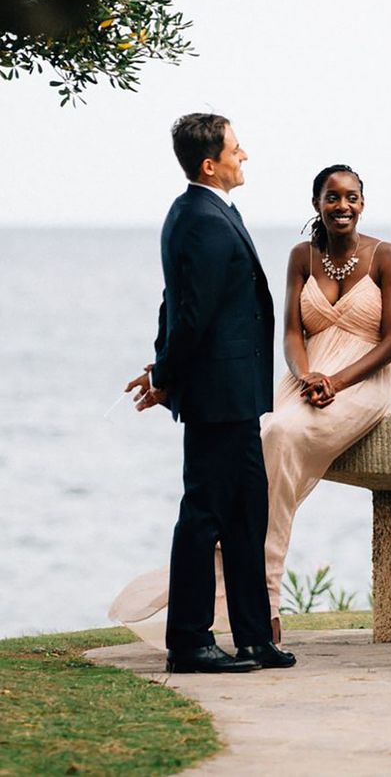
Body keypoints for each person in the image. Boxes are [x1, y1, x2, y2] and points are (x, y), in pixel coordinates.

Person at [121, 113, 295, 674]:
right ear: (210, 164)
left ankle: (252, 636)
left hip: (236, 395)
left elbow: (176, 303)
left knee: (247, 515)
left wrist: (163, 368)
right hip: (218, 398)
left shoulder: (207, 211)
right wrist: (165, 374)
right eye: (237, 150)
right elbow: (189, 313)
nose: (245, 156)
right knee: (203, 517)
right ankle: (190, 642)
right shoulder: (199, 217)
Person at [261, 164, 391, 640]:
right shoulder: (301, 256)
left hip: (365, 377)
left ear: (363, 203)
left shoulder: (387, 256)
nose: (342, 206)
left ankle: (264, 598)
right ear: (317, 203)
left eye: (351, 197)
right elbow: (290, 331)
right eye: (332, 197)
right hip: (307, 374)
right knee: (266, 434)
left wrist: (337, 382)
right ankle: (254, 595)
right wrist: (307, 376)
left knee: (281, 434)